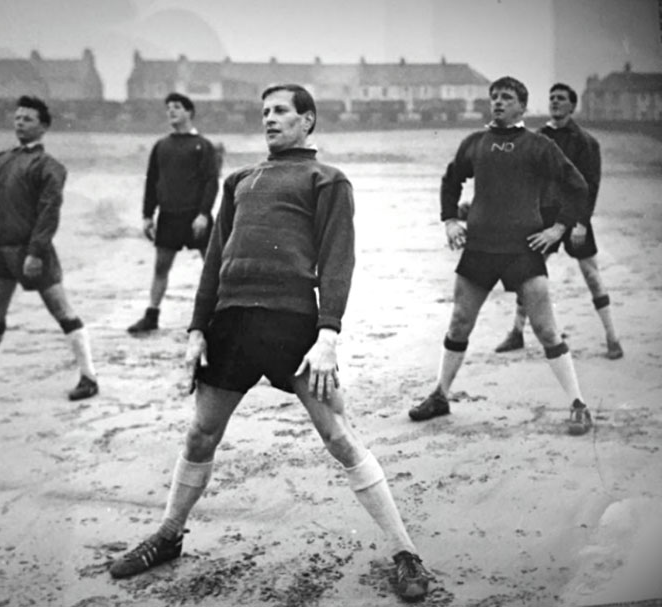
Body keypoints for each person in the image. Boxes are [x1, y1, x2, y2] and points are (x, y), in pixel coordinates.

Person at [108, 84, 432, 600]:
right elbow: (215, 260)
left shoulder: (327, 179)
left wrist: (328, 334)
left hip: (295, 329)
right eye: (264, 112)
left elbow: (338, 261)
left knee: (340, 438)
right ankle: (169, 535)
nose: (270, 120)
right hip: (230, 326)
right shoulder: (239, 180)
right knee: (199, 436)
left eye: (281, 111)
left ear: (308, 122)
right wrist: (195, 329)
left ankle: (405, 553)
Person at [409, 76, 594, 436]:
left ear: (522, 107)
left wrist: (558, 229)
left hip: (523, 250)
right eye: (494, 97)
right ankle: (440, 394)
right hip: (479, 248)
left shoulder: (539, 146)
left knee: (545, 329)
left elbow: (578, 186)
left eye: (506, 98)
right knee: (460, 322)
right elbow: (451, 180)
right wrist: (449, 220)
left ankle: (578, 405)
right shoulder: (476, 143)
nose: (497, 102)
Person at [0, 95, 98, 401]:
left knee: (62, 311)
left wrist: (36, 253)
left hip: (32, 253)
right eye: (17, 118)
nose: (20, 123)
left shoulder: (49, 167)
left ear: (43, 127)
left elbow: (48, 213)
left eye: (27, 119)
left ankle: (89, 377)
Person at [493, 83, 623, 360]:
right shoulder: (537, 137)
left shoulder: (587, 142)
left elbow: (591, 185)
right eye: (551, 98)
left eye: (561, 99)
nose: (554, 102)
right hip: (545, 220)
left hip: (575, 219)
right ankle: (516, 333)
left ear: (572, 106)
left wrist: (582, 223)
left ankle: (613, 338)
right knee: (529, 275)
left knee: (592, 276)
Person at [127, 92, 220, 334]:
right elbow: (152, 182)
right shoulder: (161, 146)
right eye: (168, 107)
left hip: (196, 217)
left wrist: (203, 213)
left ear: (189, 112)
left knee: (211, 268)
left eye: (177, 107)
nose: (171, 111)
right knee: (160, 268)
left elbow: (211, 182)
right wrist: (147, 215)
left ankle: (220, 315)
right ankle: (151, 315)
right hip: (169, 216)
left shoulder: (203, 145)